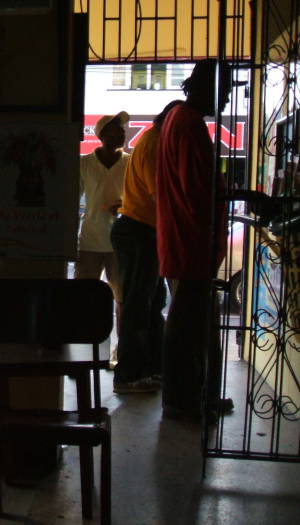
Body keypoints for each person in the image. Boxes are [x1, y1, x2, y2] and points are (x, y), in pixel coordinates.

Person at [156, 59, 236, 422]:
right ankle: (183, 401)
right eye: (226, 88)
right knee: (187, 327)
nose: (228, 97)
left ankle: (194, 396)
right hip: (190, 242)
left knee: (190, 323)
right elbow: (196, 190)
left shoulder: (178, 120)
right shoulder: (188, 125)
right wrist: (226, 193)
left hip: (182, 239)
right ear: (206, 87)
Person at [110, 100, 183, 394]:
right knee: (138, 305)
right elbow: (160, 196)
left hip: (142, 230)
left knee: (151, 305)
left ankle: (152, 369)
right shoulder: (154, 145)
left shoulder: (154, 142)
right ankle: (128, 375)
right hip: (139, 230)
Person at [76, 112, 130, 346]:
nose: (123, 133)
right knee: (84, 297)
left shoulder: (130, 162)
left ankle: (122, 350)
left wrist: (125, 206)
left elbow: (140, 197)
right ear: (103, 134)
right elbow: (72, 198)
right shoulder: (84, 164)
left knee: (123, 300)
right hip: (89, 240)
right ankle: (81, 347)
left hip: (121, 242)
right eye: (117, 128)